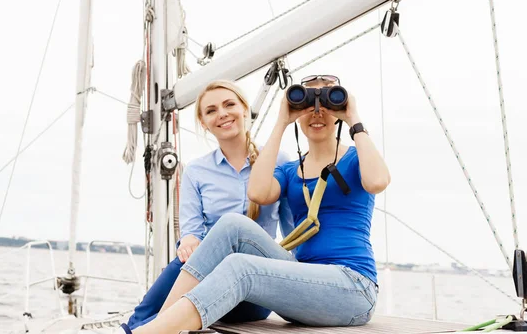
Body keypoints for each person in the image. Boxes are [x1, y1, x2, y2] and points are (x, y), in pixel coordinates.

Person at [123, 74, 390, 334]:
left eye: (327, 105)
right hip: (303, 280)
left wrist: (353, 117)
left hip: (353, 287)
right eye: (309, 106)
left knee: (241, 266)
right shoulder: (288, 169)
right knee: (232, 224)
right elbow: (258, 192)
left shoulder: (357, 158)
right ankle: (161, 327)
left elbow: (378, 181)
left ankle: (151, 332)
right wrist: (282, 121)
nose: (318, 113)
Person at [123, 80, 292, 330]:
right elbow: (191, 231)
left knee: (216, 248)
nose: (222, 114)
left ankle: (134, 330)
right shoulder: (197, 171)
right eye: (211, 110)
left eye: (229, 104)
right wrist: (189, 240)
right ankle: (133, 328)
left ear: (245, 109)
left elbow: (293, 229)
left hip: (254, 288)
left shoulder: (278, 161)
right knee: (190, 257)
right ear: (204, 122)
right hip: (206, 278)